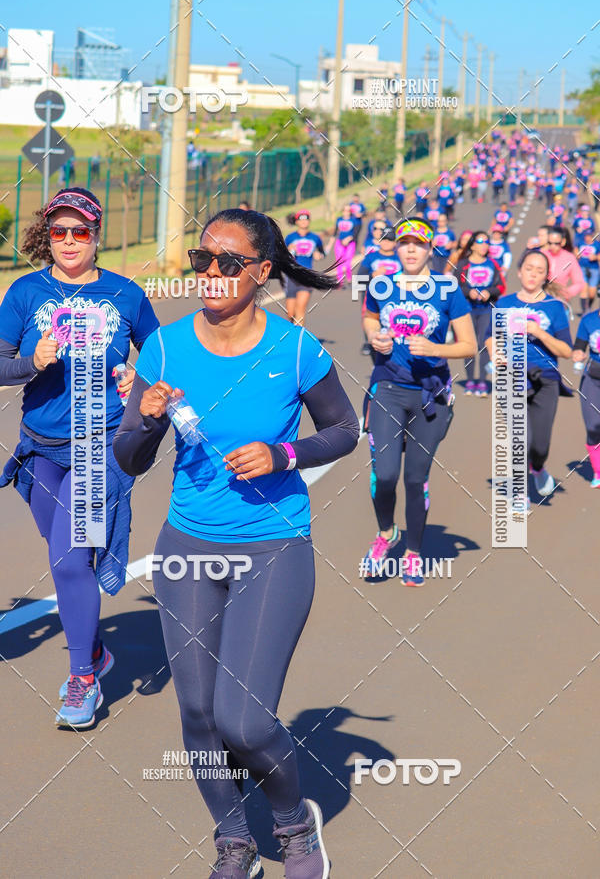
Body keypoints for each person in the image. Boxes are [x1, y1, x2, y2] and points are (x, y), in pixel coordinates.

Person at [113, 207, 359, 879]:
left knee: (245, 721)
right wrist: (148, 421)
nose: (212, 274)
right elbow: (130, 457)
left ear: (261, 271)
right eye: (202, 260)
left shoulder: (295, 349)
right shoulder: (164, 346)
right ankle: (234, 842)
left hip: (272, 545)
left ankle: (293, 827)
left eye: (229, 263)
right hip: (188, 545)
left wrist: (284, 454)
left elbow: (344, 430)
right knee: (196, 710)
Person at [0, 187, 159, 728]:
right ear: (48, 236)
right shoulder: (24, 292)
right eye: (59, 231)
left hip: (99, 445)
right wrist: (31, 361)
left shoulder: (125, 294)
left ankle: (82, 681)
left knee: (70, 560)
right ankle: (94, 650)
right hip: (39, 448)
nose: (69, 241)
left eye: (81, 231)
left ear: (96, 236)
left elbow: (162, 357)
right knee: (62, 552)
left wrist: (141, 379)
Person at [361, 218, 476, 585]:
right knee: (386, 473)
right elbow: (369, 316)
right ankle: (386, 534)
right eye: (405, 242)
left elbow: (470, 346)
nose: (411, 249)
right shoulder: (382, 285)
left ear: (430, 250)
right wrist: (375, 336)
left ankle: (413, 553)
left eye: (419, 243)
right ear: (396, 247)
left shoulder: (448, 290)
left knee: (414, 478)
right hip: (388, 390)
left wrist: (435, 348)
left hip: (431, 396)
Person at [486, 250, 573, 508]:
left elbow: (566, 351)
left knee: (540, 445)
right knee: (520, 438)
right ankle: (519, 492)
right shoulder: (503, 303)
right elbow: (491, 336)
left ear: (546, 276)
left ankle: (538, 467)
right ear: (519, 271)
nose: (533, 274)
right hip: (510, 376)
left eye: (539, 270)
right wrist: (495, 354)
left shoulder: (555, 308)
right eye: (529, 268)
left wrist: (539, 333)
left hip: (545, 379)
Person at [455, 231, 504, 396]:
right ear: (472, 245)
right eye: (480, 241)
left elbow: (501, 286)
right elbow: (455, 287)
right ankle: (470, 381)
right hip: (467, 309)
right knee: (469, 344)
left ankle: (482, 381)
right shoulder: (463, 265)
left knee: (484, 343)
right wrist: (469, 292)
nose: (484, 245)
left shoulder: (493, 264)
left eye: (487, 242)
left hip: (486, 309)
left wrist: (489, 292)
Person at [357, 227, 402, 356]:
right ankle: (370, 344)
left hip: (395, 295)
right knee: (371, 319)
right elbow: (358, 279)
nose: (386, 242)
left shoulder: (400, 258)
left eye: (390, 240)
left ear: (395, 243)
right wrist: (373, 276)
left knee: (392, 321)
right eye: (384, 239)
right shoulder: (371, 257)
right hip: (372, 295)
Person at [573, 308, 600, 486]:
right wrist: (578, 354)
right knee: (593, 426)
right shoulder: (589, 320)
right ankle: (598, 472)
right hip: (592, 378)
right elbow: (579, 347)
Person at [284, 210, 325, 326]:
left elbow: (323, 253)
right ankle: (293, 332)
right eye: (301, 219)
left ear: (309, 221)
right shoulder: (290, 238)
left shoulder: (315, 238)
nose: (304, 222)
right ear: (296, 222)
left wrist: (319, 255)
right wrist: (288, 251)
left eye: (306, 219)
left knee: (300, 310)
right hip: (292, 277)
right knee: (290, 313)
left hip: (307, 276)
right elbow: (281, 256)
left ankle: (298, 341)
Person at [543, 227, 586, 308]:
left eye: (556, 243)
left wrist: (566, 293)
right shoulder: (541, 255)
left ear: (563, 242)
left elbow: (579, 282)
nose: (552, 246)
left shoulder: (569, 258)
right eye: (550, 243)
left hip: (559, 303)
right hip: (540, 301)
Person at [330, 204, 360, 286]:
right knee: (339, 262)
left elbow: (356, 233)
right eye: (344, 210)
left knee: (347, 263)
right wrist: (329, 245)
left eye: (348, 211)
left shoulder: (354, 220)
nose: (346, 212)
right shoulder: (339, 219)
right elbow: (335, 233)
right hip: (339, 243)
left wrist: (349, 238)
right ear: (342, 211)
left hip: (350, 244)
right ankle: (340, 281)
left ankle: (349, 278)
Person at [576, 229, 600, 312]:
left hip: (594, 269)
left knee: (592, 294)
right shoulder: (581, 243)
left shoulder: (597, 245)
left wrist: (596, 257)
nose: (588, 238)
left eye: (590, 236)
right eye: (586, 236)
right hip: (582, 268)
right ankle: (584, 311)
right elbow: (576, 251)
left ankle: (589, 305)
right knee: (583, 289)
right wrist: (577, 255)